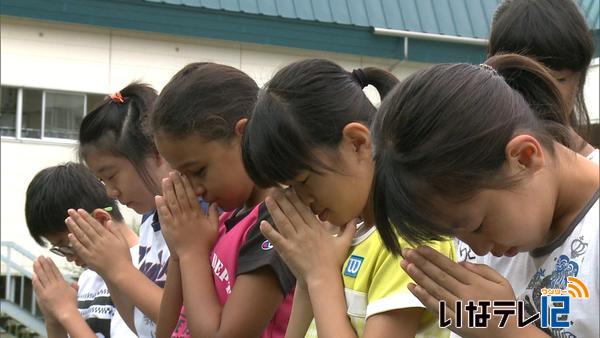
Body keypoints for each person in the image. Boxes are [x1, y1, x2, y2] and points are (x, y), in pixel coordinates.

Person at [371, 54, 599, 337]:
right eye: (457, 235)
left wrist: (510, 330)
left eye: (478, 226)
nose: (477, 250)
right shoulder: (487, 248)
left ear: (524, 157)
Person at [242, 58, 455, 338]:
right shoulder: (340, 234)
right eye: (289, 189)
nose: (302, 200)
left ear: (356, 143)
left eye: (304, 181)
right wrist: (307, 279)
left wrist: (320, 276)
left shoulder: (410, 242)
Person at [150, 62, 296, 338]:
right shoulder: (221, 221)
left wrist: (192, 252)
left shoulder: (277, 223)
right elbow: (167, 332)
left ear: (243, 135)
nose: (194, 189)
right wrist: (179, 255)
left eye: (198, 171)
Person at [65, 82, 172, 336]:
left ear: (155, 151)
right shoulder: (150, 220)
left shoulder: (199, 216)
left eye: (111, 176)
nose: (111, 192)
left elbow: (184, 322)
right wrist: (108, 270)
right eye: (103, 182)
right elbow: (142, 326)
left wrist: (118, 269)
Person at [25, 162, 138, 338]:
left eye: (68, 245)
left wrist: (67, 313)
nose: (70, 259)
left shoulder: (147, 267)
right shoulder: (88, 279)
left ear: (100, 219)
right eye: (60, 249)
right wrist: (54, 321)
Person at [488, 0, 597, 160]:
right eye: (520, 78)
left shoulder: (594, 172)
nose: (538, 93)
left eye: (557, 79)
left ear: (579, 79)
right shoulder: (469, 158)